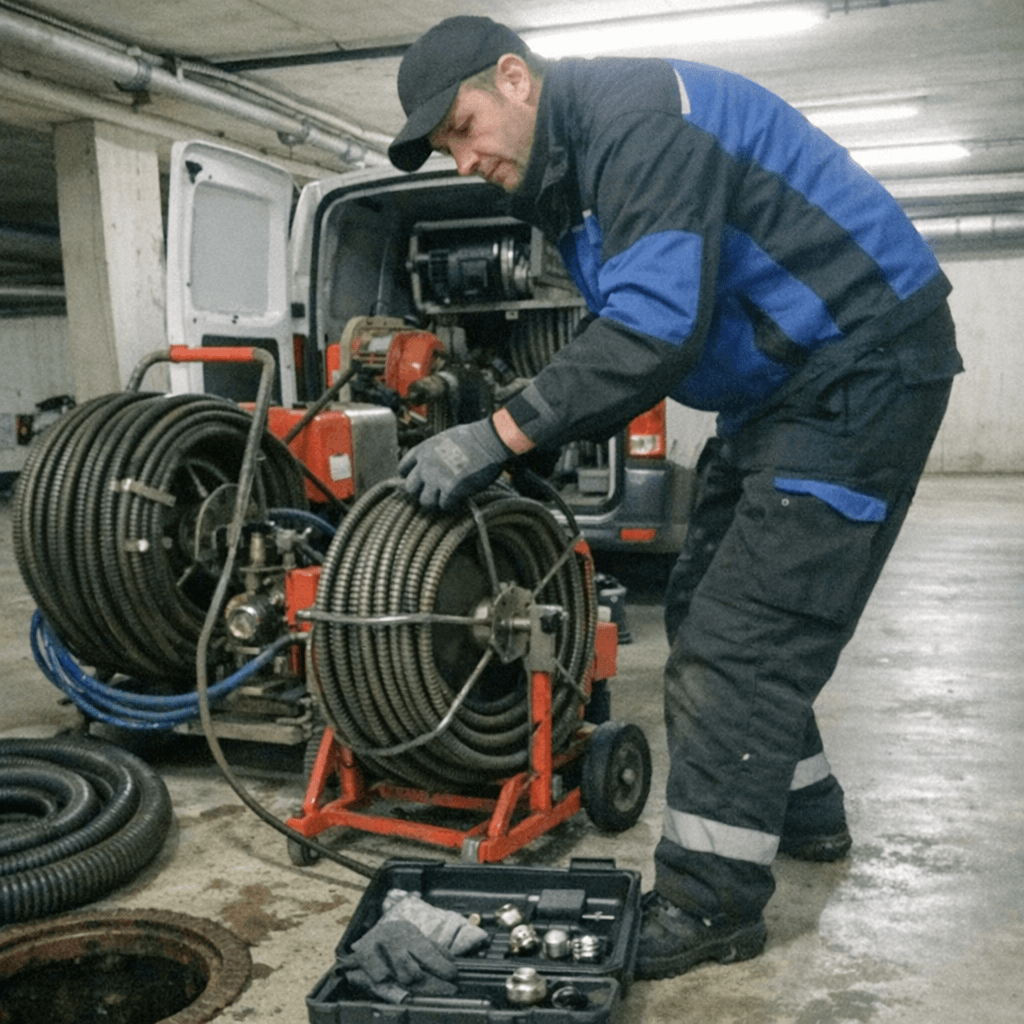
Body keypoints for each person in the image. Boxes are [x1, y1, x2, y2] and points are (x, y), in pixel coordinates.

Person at [388, 15, 963, 980]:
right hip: (781, 389)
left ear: (515, 79)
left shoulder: (637, 122)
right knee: (705, 610)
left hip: (857, 368)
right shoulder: (569, 172)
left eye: (463, 128)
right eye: (447, 147)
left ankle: (710, 903)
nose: (464, 159)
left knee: (744, 640)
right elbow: (629, 328)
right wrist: (535, 440)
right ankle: (804, 811)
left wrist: (498, 433)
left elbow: (654, 329)